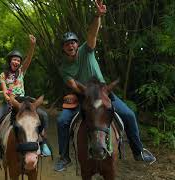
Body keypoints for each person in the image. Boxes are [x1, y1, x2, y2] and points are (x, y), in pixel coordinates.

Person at [54, 0, 156, 172]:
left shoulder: (86, 50)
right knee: (62, 121)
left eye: (73, 42)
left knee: (129, 115)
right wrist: (87, 94)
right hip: (82, 95)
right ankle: (64, 157)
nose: (70, 45)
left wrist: (97, 16)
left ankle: (138, 151)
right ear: (63, 49)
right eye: (66, 44)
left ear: (77, 44)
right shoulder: (64, 67)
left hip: (102, 93)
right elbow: (72, 84)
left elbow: (92, 34)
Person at [0, 34, 51, 158]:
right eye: (14, 59)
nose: (16, 62)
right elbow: (4, 89)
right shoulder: (3, 74)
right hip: (9, 102)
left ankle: (43, 143)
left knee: (43, 115)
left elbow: (29, 58)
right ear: (10, 61)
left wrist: (32, 45)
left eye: (18, 60)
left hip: (23, 102)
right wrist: (8, 98)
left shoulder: (21, 71)